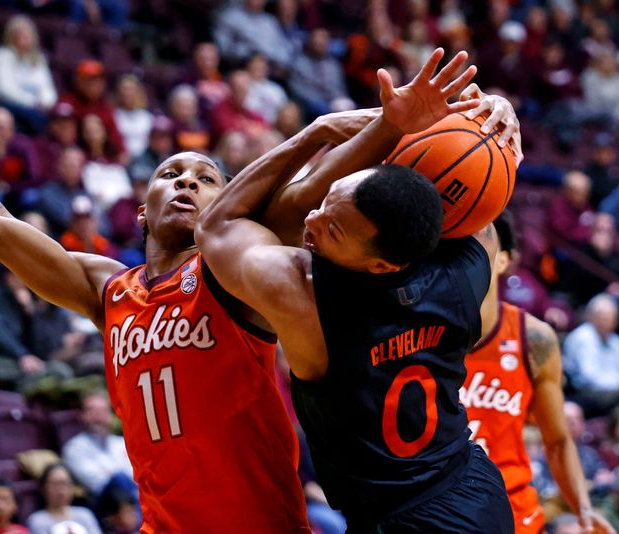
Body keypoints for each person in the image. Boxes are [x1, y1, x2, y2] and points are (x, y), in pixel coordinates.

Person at [0, 45, 513, 532]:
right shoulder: (106, 288)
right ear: (143, 207)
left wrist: (379, 126)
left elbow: (306, 194)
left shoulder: (235, 269)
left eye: (206, 176)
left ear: (227, 202)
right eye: (170, 173)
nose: (186, 180)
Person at [196, 49, 519, 532]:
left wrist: (319, 131)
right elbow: (473, 188)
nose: (312, 221)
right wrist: (497, 124)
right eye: (326, 204)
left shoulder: (304, 293)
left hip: (399, 520)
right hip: (475, 492)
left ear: (383, 262)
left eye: (334, 230)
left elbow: (217, 224)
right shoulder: (467, 269)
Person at [460, 213, 614, 533]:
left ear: (505, 261)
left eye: (476, 245)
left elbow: (557, 441)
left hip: (512, 507)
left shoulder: (534, 338)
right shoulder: (418, 332)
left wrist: (583, 508)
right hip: (443, 508)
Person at [62, 392, 135, 499]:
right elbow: (97, 483)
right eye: (91, 410)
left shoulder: (123, 443)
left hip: (135, 496)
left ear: (111, 416)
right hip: (104, 504)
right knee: (120, 479)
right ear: (83, 416)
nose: (98, 415)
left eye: (103, 410)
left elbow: (139, 476)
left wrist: (109, 472)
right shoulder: (75, 447)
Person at [562, 293, 619, 415]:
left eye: (611, 317)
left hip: (609, 393)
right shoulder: (583, 337)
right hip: (581, 394)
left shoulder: (614, 340)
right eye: (603, 317)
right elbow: (589, 378)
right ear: (591, 317)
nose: (607, 321)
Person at [27, 464, 101, 534]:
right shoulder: (38, 520)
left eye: (64, 483)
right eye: (55, 484)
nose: (61, 490)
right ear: (43, 488)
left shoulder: (84, 514)